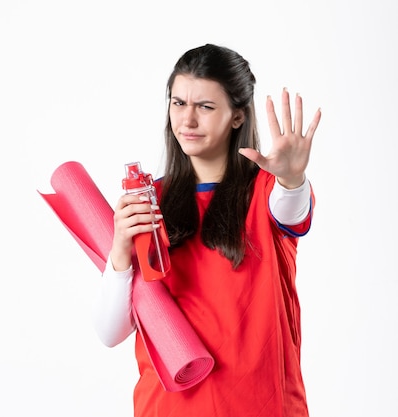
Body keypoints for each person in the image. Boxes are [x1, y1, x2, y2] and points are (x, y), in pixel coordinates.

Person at [92, 44, 321, 416]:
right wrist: (120, 251)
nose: (187, 120)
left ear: (237, 117)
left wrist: (293, 177)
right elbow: (110, 332)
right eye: (179, 103)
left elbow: (292, 206)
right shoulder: (149, 202)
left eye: (206, 107)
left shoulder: (267, 192)